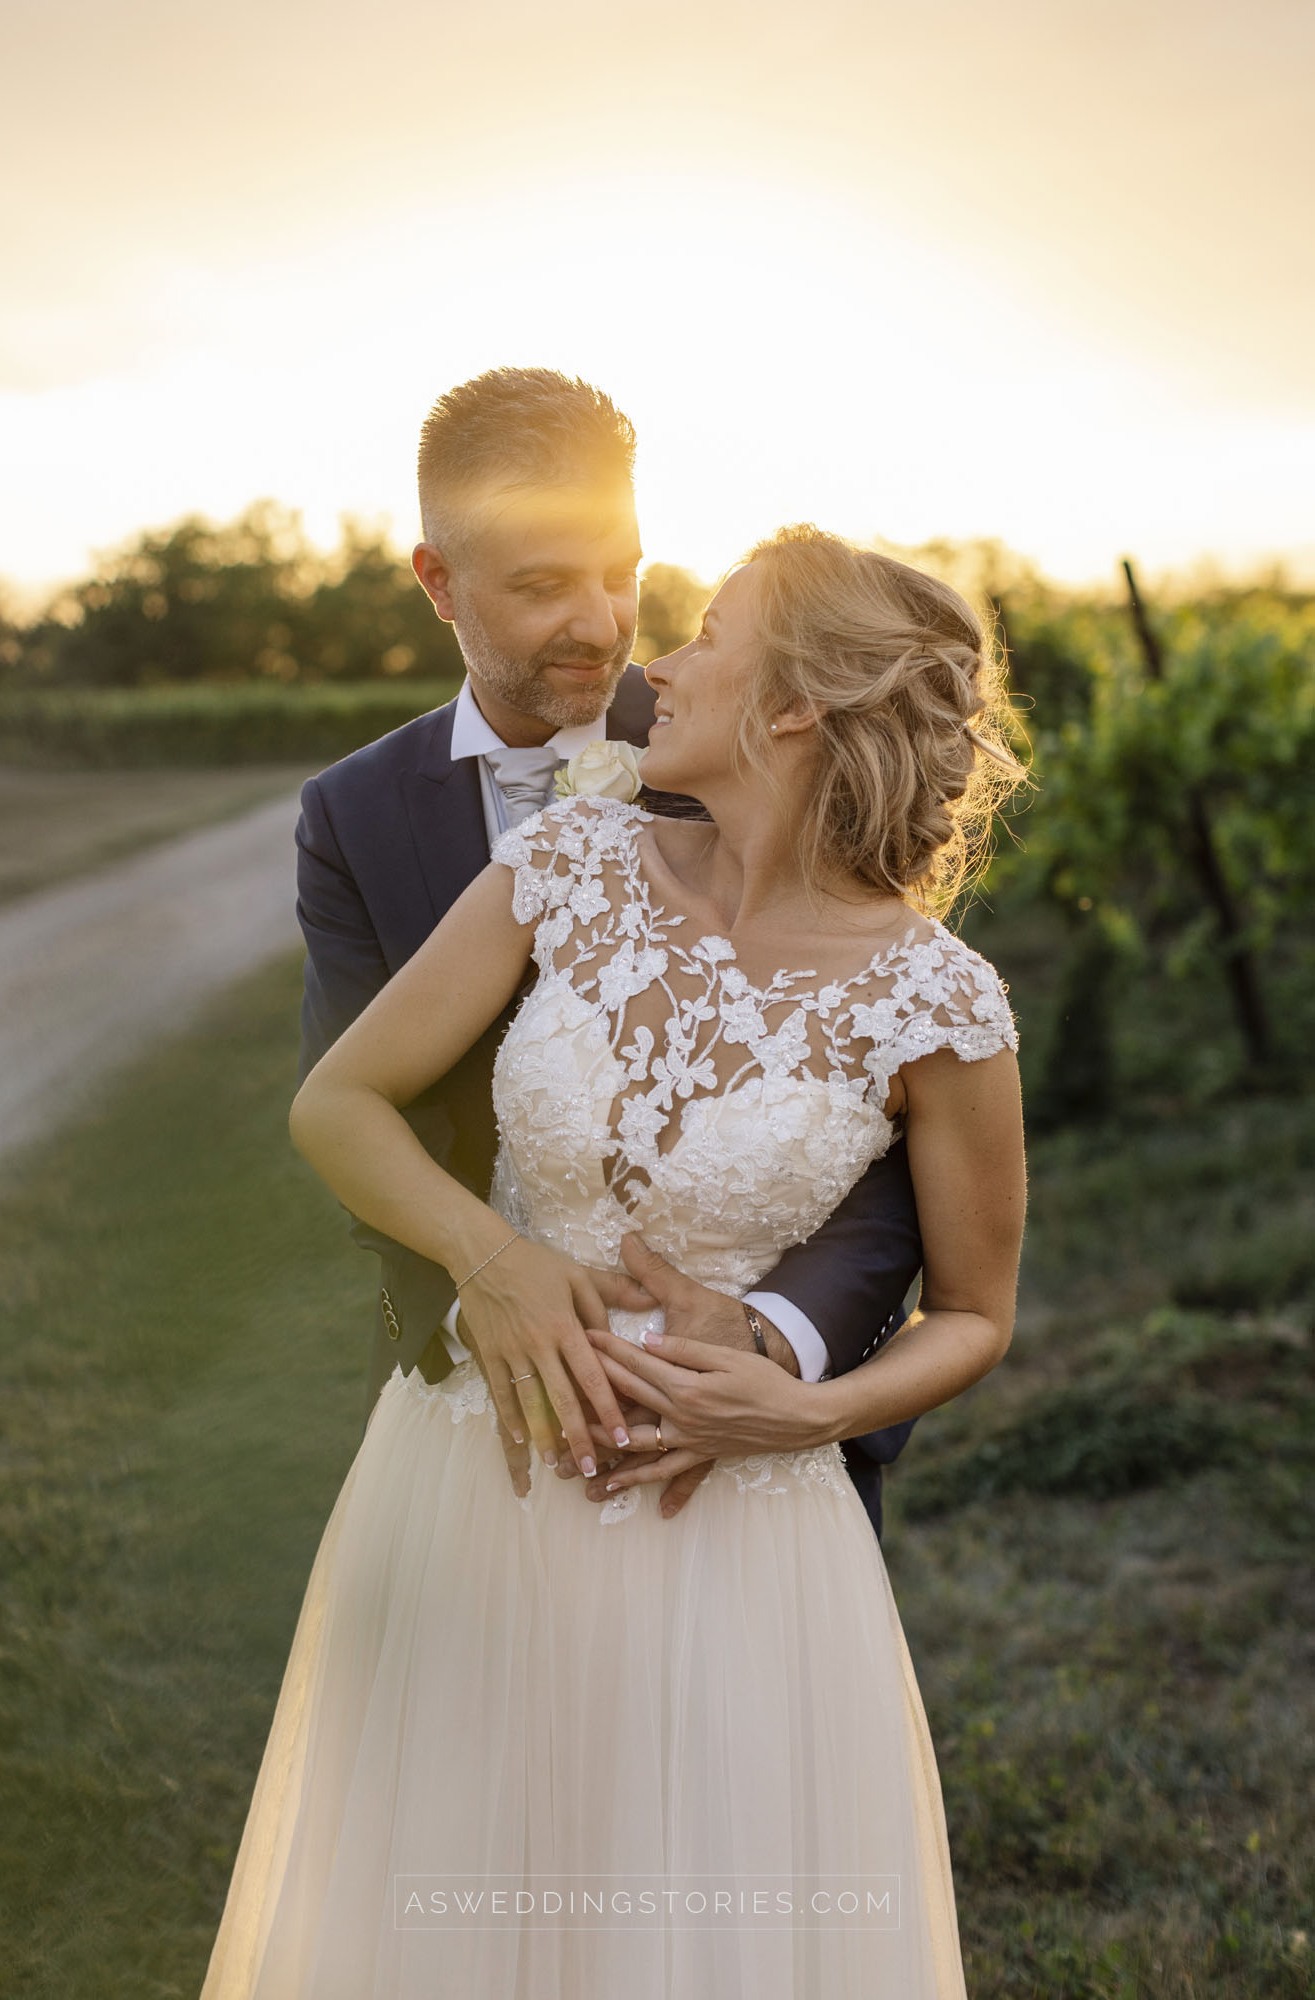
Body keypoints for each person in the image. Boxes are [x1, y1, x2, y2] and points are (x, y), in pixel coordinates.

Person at [199, 522, 1027, 1998]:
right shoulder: (566, 865)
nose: (660, 662)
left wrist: (811, 1413)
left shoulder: (936, 1001)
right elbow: (339, 1102)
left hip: (737, 1537)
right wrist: (487, 1257)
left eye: (710, 635)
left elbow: (971, 1311)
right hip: (473, 1475)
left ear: (791, 708)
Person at [294, 367, 922, 1537]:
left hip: (742, 1426)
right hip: (495, 1413)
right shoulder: (354, 814)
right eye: (541, 585)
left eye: (621, 571)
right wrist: (479, 1277)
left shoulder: (748, 737)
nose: (600, 622)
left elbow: (890, 1101)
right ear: (438, 583)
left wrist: (772, 1341)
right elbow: (363, 1106)